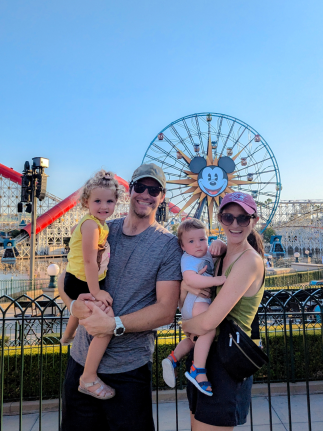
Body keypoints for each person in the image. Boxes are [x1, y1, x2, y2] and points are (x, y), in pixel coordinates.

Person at [58, 163, 182, 431]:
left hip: (129, 370)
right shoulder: (102, 229)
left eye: (154, 190)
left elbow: (165, 310)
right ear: (130, 191)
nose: (146, 194)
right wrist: (73, 306)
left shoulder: (168, 246)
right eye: (140, 187)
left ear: (162, 197)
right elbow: (70, 274)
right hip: (80, 362)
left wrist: (114, 325)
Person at [182, 192, 265, 430]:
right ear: (220, 218)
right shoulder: (219, 255)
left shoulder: (249, 261)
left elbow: (209, 321)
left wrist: (185, 327)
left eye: (243, 218)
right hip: (203, 358)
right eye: (228, 217)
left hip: (226, 361)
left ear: (254, 220)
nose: (235, 224)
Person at [60, 170, 120, 400]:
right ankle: (88, 378)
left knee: (80, 308)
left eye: (109, 201)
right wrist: (96, 291)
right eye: (97, 201)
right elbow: (88, 260)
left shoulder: (96, 223)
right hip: (82, 280)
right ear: (86, 201)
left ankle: (66, 336)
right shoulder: (92, 226)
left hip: (82, 279)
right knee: (107, 325)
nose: (104, 206)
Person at [162, 218, 226, 396]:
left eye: (202, 239)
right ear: (182, 246)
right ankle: (197, 370)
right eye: (191, 241)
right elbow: (190, 279)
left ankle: (173, 358)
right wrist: (217, 280)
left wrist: (220, 244)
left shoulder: (203, 254)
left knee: (194, 339)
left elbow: (221, 250)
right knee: (208, 330)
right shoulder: (188, 259)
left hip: (195, 303)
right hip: (195, 303)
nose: (198, 245)